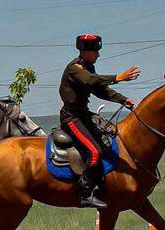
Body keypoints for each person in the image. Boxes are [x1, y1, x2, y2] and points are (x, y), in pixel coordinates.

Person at [59, 35, 141, 209]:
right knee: (94, 152)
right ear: (84, 52)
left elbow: (100, 90)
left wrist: (122, 100)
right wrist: (118, 77)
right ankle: (85, 194)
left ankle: (102, 186)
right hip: (71, 117)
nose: (98, 54)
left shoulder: (88, 67)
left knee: (106, 142)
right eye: (95, 51)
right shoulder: (75, 68)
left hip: (83, 115)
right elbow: (89, 80)